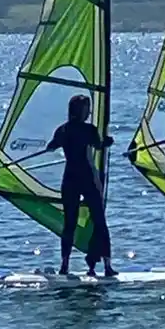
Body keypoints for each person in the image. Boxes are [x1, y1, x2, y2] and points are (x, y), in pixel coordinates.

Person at [46, 94, 117, 278]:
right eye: (87, 109)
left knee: (70, 223)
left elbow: (52, 145)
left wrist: (51, 146)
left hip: (70, 179)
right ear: (80, 110)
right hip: (86, 179)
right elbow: (99, 145)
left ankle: (65, 265)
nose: (89, 112)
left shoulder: (63, 130)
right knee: (100, 221)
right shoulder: (89, 130)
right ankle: (107, 266)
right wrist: (107, 142)